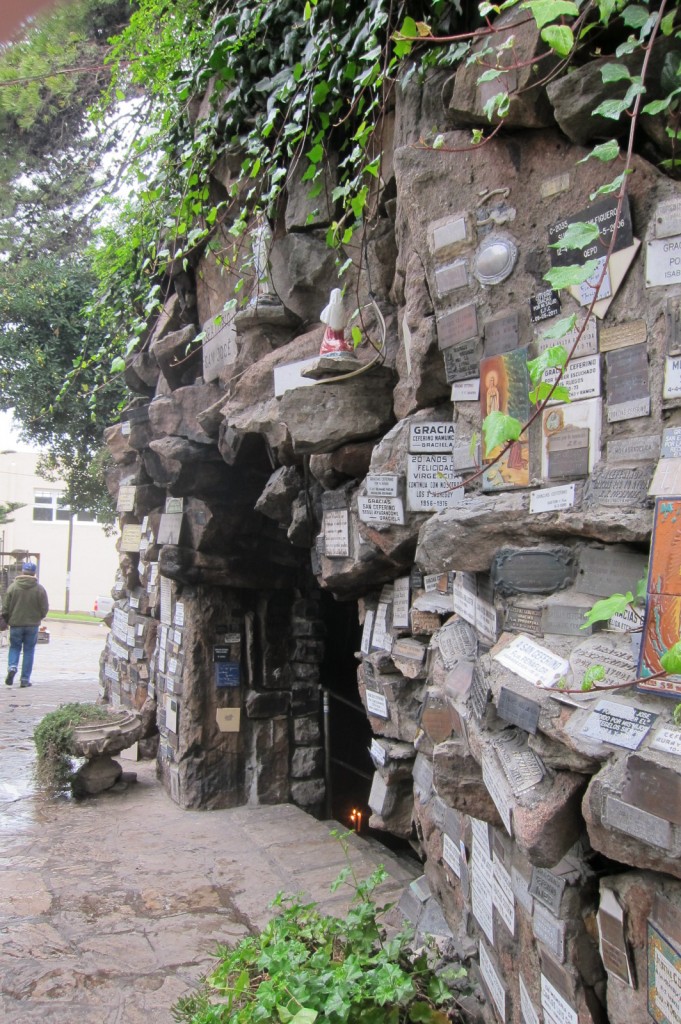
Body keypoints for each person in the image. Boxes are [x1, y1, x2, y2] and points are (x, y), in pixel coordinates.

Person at [3, 561, 49, 687]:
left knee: (14, 647)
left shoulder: (13, 587)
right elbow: (44, 608)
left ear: (22, 572)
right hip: (32, 625)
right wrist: (39, 617)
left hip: (16, 624)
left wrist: (6, 619)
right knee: (29, 651)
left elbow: (5, 607)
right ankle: (24, 679)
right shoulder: (39, 589)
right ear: (34, 573)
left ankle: (12, 667)